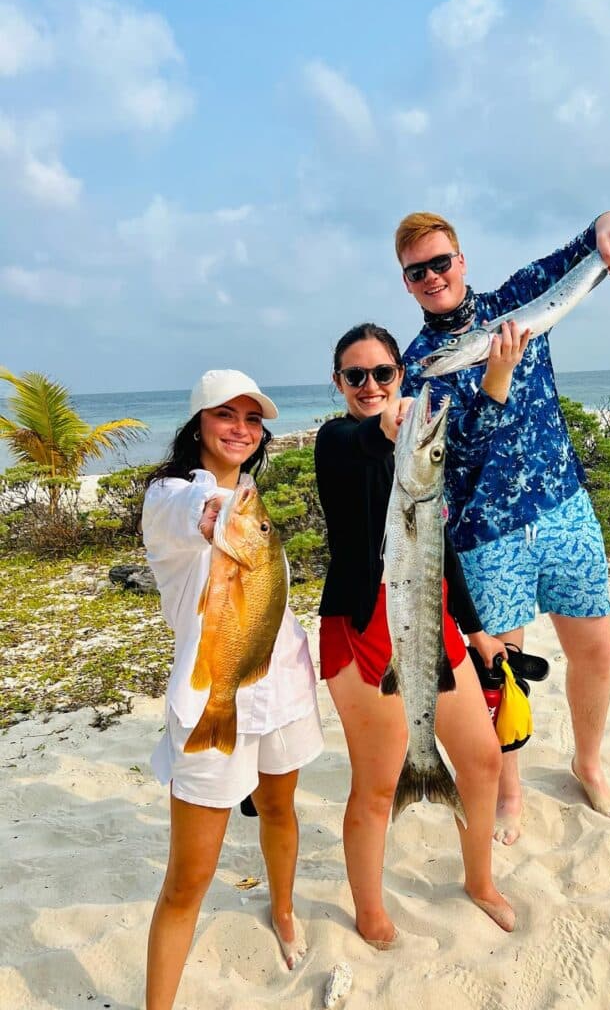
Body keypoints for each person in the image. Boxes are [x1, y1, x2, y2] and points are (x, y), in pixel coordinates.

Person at [396, 211, 610, 845]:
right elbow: (456, 455)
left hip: (563, 506)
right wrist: (495, 378)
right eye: (417, 271)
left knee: (597, 649)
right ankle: (510, 793)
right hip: (485, 530)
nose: (432, 277)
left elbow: (582, 256)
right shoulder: (420, 364)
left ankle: (588, 763)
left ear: (461, 260)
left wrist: (609, 225)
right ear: (407, 283)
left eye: (441, 262)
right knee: (499, 678)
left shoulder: (514, 301)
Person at [314, 323, 513, 949]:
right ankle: (369, 910)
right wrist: (387, 431)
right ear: (340, 383)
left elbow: (438, 545)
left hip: (428, 612)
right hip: (362, 621)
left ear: (400, 375)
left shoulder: (415, 447)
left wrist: (479, 632)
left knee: (482, 759)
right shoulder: (337, 439)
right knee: (376, 786)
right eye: (356, 375)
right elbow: (357, 445)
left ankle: (479, 880)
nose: (370, 385)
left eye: (382, 374)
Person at [141, 369, 323, 1009]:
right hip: (211, 702)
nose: (241, 429)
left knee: (280, 810)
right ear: (198, 426)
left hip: (282, 691)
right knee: (187, 879)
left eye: (253, 420)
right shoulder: (171, 499)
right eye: (227, 416)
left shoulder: (250, 497)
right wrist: (213, 509)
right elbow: (190, 511)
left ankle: (283, 909)